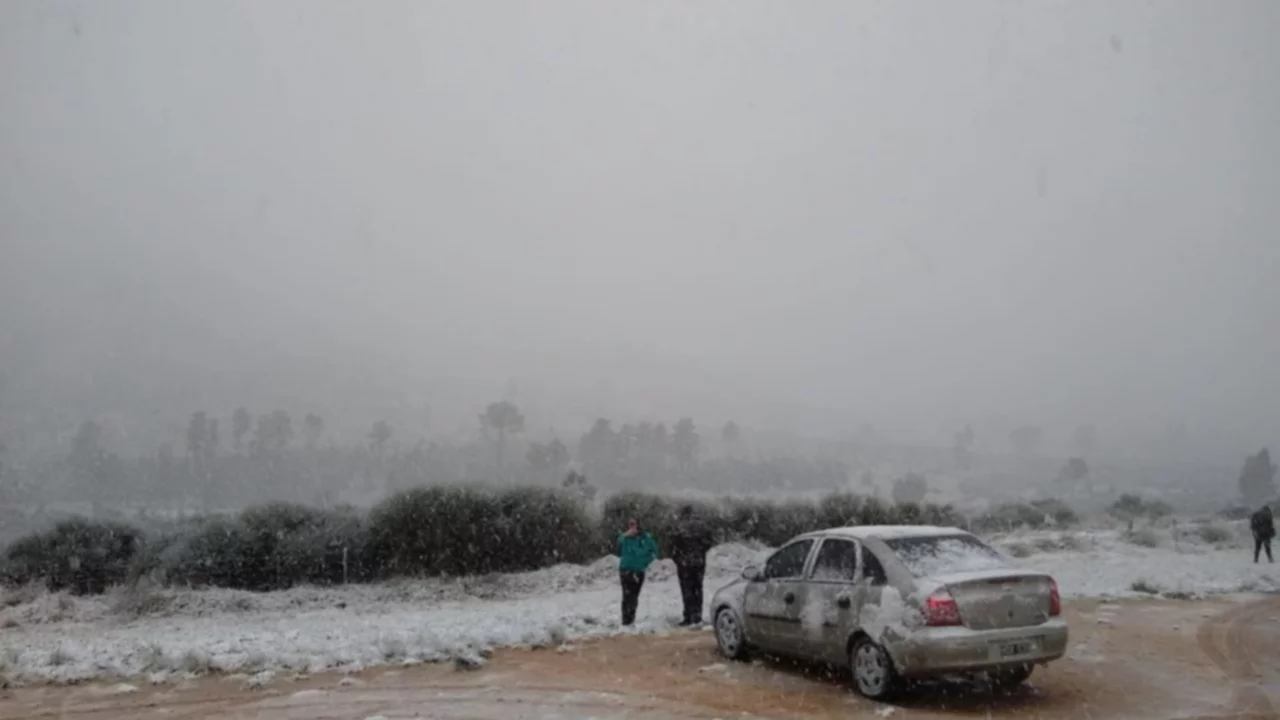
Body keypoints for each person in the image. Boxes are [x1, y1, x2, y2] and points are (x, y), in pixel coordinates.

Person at [669, 504, 716, 626]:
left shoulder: (679, 526)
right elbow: (710, 542)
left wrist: (678, 559)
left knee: (687, 589)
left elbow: (674, 546)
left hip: (685, 563)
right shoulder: (702, 526)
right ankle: (697, 616)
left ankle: (688, 616)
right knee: (698, 588)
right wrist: (701, 552)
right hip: (699, 561)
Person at [617, 518, 659, 626]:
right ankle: (626, 620)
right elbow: (618, 549)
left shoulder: (646, 538)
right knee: (626, 596)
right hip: (626, 569)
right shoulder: (625, 538)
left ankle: (630, 618)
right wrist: (624, 537)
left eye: (633, 524)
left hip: (639, 570)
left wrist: (645, 562)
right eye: (630, 524)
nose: (632, 527)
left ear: (638, 525)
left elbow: (654, 552)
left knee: (634, 596)